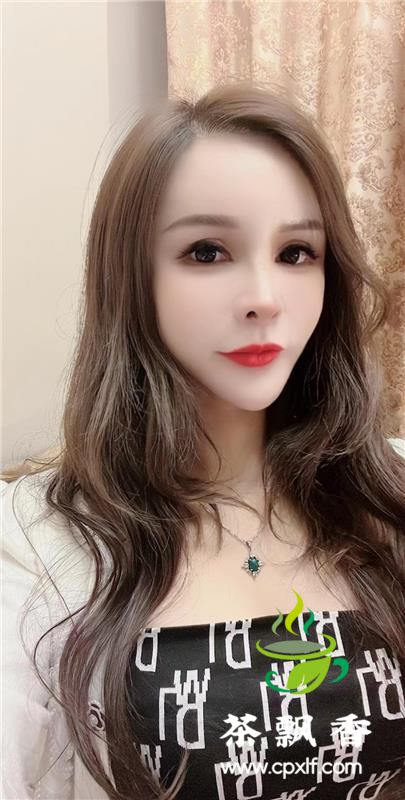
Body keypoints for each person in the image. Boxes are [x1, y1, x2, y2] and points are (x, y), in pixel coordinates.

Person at [1, 80, 405, 800]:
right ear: (132, 278)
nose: (264, 298)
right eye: (208, 251)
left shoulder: (385, 494)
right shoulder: (32, 551)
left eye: (297, 253)